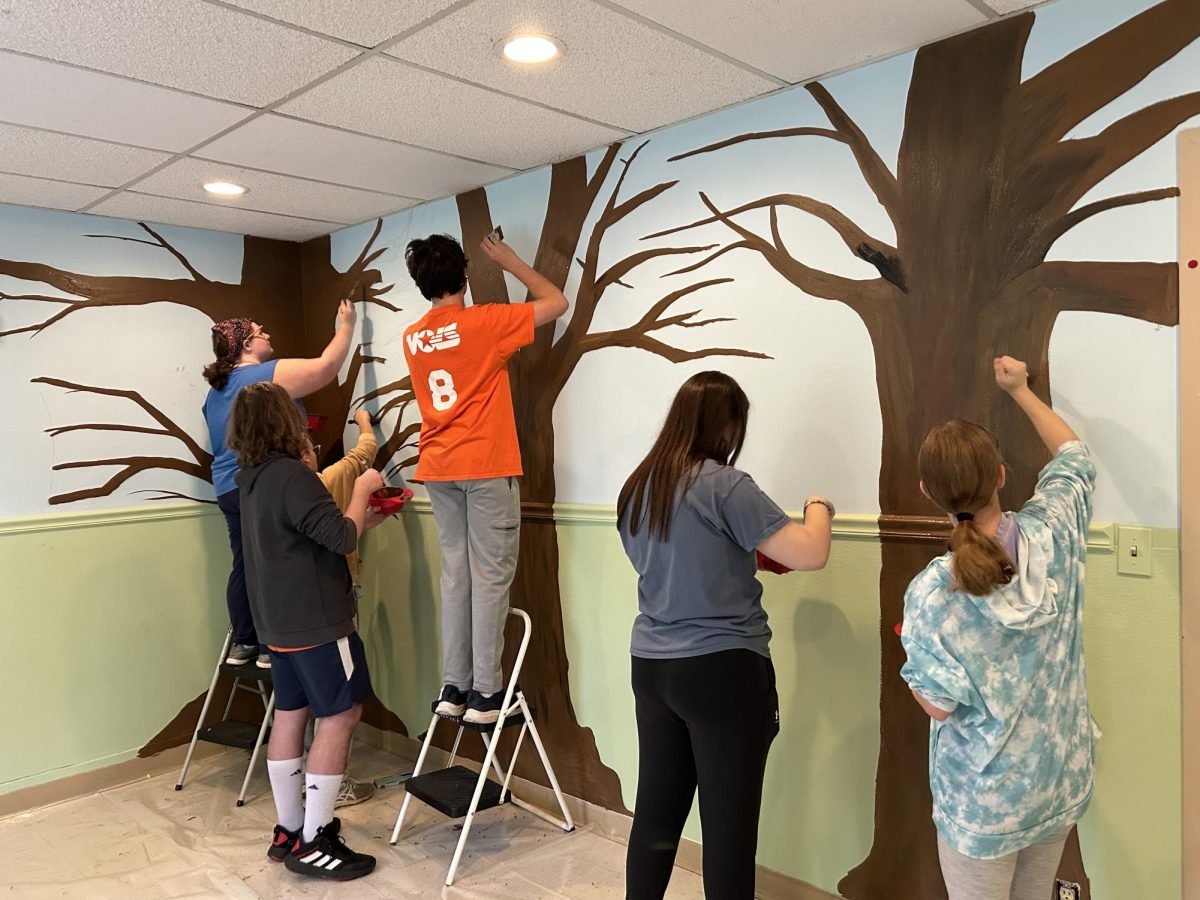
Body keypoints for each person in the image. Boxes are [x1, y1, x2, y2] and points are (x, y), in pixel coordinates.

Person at [616, 371, 833, 899]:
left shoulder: (639, 486)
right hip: (722, 672)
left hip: (651, 666)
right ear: (728, 425)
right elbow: (810, 552)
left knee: (657, 817)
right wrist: (818, 509)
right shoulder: (724, 483)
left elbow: (680, 560)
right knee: (729, 833)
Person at [900, 356, 1098, 900]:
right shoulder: (1055, 533)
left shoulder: (932, 593)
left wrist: (912, 664)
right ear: (1003, 476)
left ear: (927, 491)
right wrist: (1019, 389)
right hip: (1054, 781)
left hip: (982, 803)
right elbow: (1074, 456)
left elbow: (939, 705)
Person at [401, 232, 568, 724]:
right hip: (487, 464)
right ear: (465, 275)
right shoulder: (484, 323)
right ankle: (488, 695)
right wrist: (511, 260)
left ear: (421, 283)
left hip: (437, 466)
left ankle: (454, 687)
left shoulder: (413, 336)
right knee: (490, 576)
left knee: (456, 575)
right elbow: (556, 301)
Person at [227, 381, 385, 881]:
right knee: (340, 714)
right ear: (285, 422)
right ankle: (317, 840)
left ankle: (289, 831)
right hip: (317, 622)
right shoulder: (294, 477)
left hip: (277, 623)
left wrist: (366, 520)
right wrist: (362, 492)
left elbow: (310, 537)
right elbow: (339, 536)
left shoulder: (249, 478)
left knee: (290, 715)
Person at [202, 299, 356, 666]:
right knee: (282, 562)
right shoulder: (259, 376)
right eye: (259, 332)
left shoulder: (215, 392)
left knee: (246, 562)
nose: (267, 334)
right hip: (265, 484)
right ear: (245, 345)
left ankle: (245, 643)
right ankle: (275, 645)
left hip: (229, 487)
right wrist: (347, 325)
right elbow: (326, 368)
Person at [301, 407, 381, 810]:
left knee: (305, 704)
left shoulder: (265, 492)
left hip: (288, 619)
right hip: (332, 605)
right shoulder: (329, 479)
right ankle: (333, 790)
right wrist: (365, 422)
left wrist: (366, 521)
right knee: (342, 706)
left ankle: (307, 784)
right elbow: (364, 452)